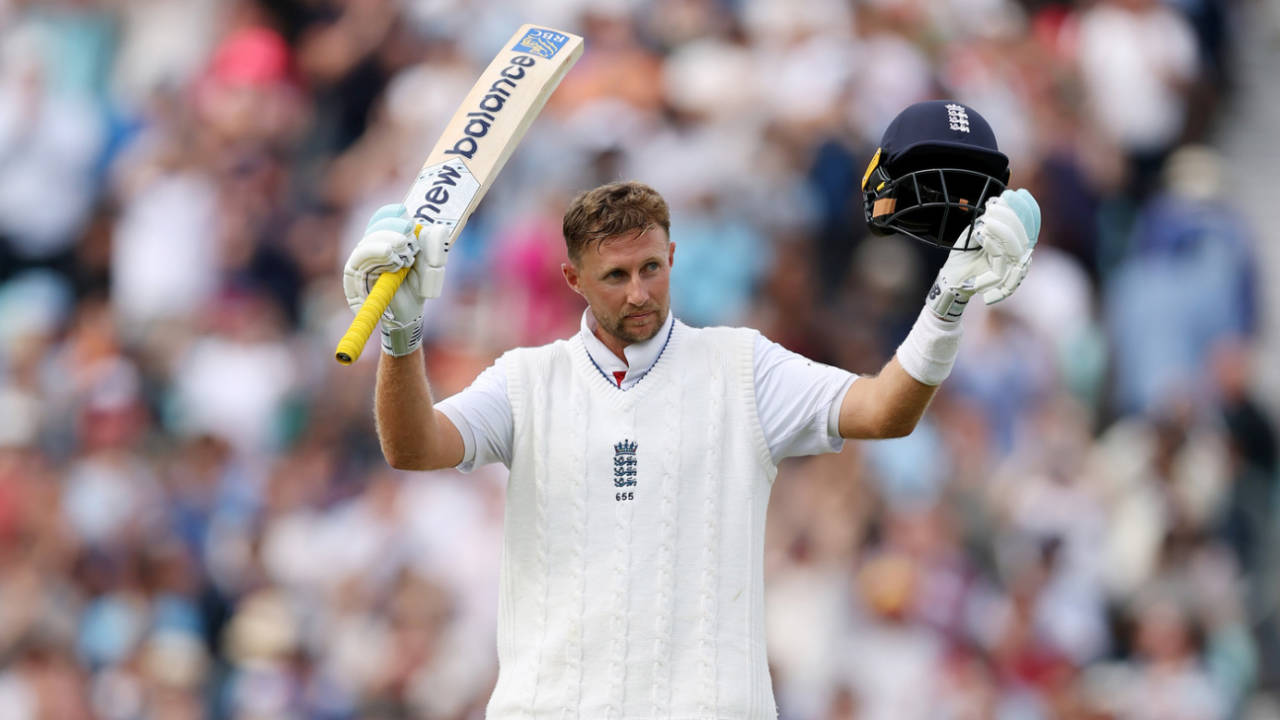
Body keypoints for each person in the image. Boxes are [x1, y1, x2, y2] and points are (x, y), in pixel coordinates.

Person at [341, 100, 1040, 718]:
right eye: (615, 276)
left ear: (673, 256)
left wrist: (948, 302)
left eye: (652, 268)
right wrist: (402, 336)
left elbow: (886, 410)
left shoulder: (742, 365)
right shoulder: (528, 380)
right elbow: (414, 448)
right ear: (573, 280)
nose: (640, 293)